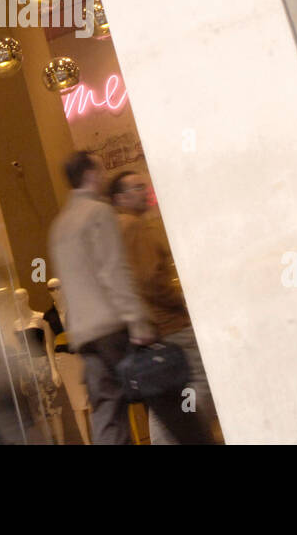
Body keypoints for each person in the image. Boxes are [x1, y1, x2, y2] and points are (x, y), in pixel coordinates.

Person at [47, 151, 213, 445]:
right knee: (167, 399)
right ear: (90, 175)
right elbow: (113, 271)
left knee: (108, 413)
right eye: (99, 170)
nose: (102, 177)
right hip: (114, 327)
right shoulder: (99, 213)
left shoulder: (60, 226)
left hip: (85, 336)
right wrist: (138, 322)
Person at [108, 169, 219, 443]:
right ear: (119, 198)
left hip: (148, 327)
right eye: (135, 188)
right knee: (197, 388)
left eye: (143, 186)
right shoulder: (133, 226)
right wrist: (181, 303)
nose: (143, 191)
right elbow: (149, 278)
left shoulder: (113, 230)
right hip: (170, 323)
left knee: (167, 396)